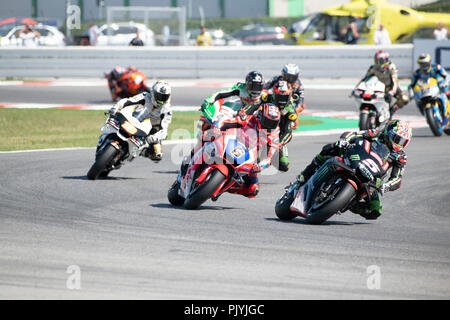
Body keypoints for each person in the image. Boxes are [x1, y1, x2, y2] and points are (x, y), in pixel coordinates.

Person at [295, 119, 411, 220]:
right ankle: (304, 176)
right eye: (397, 139)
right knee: (330, 148)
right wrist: (344, 141)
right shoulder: (375, 134)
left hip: (371, 180)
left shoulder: (400, 157)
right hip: (353, 158)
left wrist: (386, 186)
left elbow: (397, 178)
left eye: (403, 142)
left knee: (375, 211)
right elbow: (354, 134)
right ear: (388, 131)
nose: (398, 144)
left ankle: (348, 203)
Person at [182, 103, 281, 199]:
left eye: (273, 123)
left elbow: (270, 156)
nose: (270, 125)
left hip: (248, 155)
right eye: (267, 122)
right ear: (259, 117)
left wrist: (260, 166)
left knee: (253, 189)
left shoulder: (274, 133)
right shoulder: (248, 118)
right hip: (231, 140)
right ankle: (189, 160)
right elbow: (228, 122)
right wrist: (218, 127)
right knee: (205, 136)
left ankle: (219, 186)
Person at [108, 80, 172, 162]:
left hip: (149, 131)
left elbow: (164, 128)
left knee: (157, 154)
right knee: (114, 115)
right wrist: (117, 106)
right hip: (134, 119)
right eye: (159, 96)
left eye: (164, 97)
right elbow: (128, 101)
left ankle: (142, 151)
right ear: (153, 92)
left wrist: (156, 136)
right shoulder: (145, 96)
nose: (161, 99)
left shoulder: (167, 110)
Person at [261, 80, 298, 172]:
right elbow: (252, 108)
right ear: (274, 94)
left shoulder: (290, 110)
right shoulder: (266, 98)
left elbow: (288, 132)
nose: (281, 100)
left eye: (284, 97)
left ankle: (270, 156)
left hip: (276, 136)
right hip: (259, 129)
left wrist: (279, 143)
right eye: (279, 96)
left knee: (284, 166)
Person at [264, 63, 306, 129]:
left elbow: (300, 101)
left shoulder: (299, 85)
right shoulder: (276, 79)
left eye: (293, 77)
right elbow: (264, 89)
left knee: (295, 121)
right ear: (283, 74)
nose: (290, 79)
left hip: (288, 106)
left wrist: (295, 112)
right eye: (288, 77)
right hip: (273, 102)